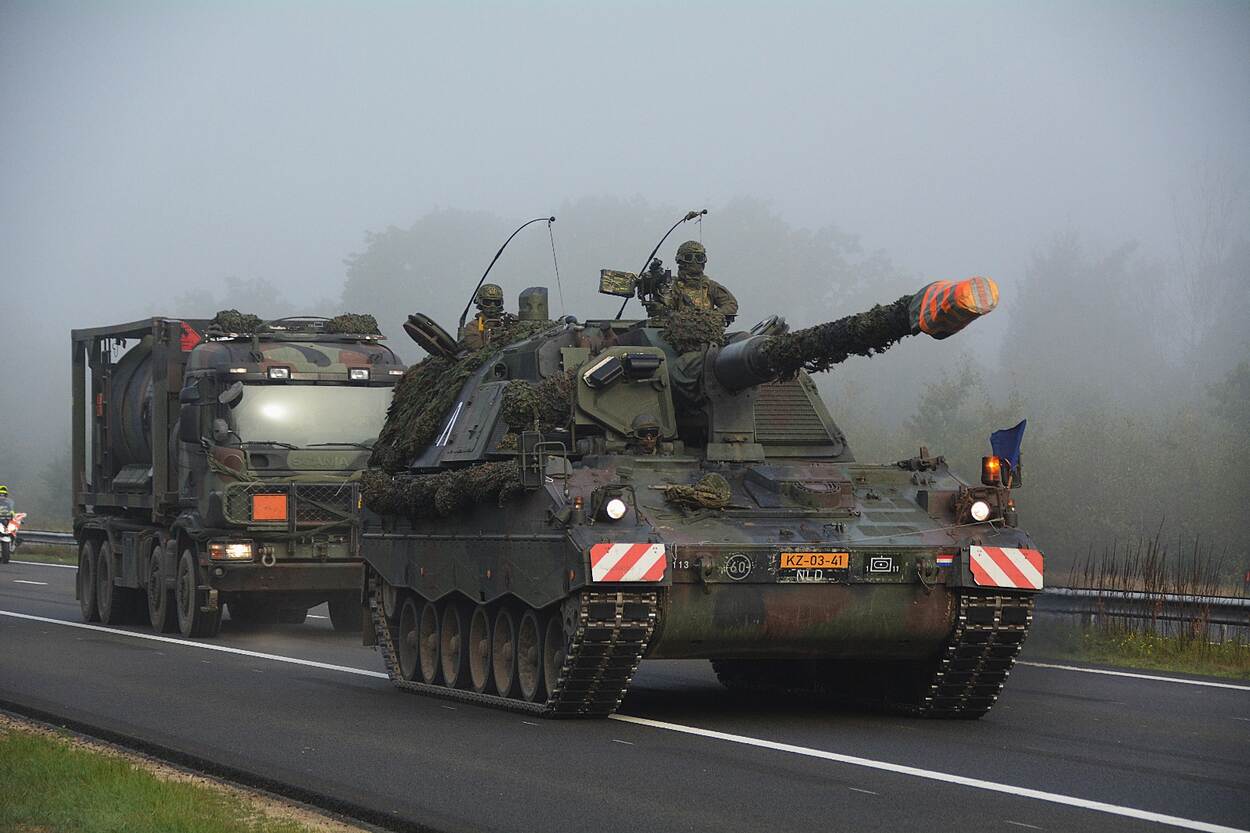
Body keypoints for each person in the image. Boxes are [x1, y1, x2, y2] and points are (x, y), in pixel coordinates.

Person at [658, 241, 738, 324]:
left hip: (707, 329)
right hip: (676, 329)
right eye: (689, 257)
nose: (694, 261)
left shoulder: (711, 286)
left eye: (699, 258)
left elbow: (731, 304)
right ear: (680, 260)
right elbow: (662, 306)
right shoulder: (671, 285)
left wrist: (711, 315)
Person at [458, 284, 514, 349]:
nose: (492, 306)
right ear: (480, 303)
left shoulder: (510, 320)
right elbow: (477, 349)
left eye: (496, 303)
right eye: (487, 302)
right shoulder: (473, 326)